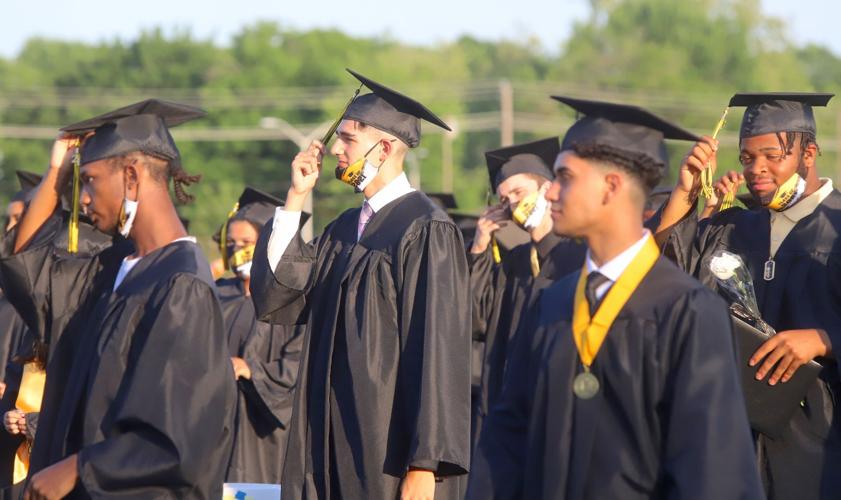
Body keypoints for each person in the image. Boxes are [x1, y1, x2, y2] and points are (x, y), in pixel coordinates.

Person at [467, 97, 763, 499]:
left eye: (565, 177)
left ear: (611, 186)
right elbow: (506, 444)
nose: (550, 192)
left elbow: (712, 473)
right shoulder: (551, 304)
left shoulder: (687, 311)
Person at [250, 70, 471, 500]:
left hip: (387, 450)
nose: (335, 147)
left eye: (348, 138)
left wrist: (424, 467)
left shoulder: (426, 230)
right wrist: (295, 199)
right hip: (328, 436)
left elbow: (438, 350)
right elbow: (282, 293)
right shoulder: (342, 230)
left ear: (384, 147)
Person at [0, 99, 235, 499]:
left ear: (131, 177)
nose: (83, 198)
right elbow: (27, 263)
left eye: (89, 180)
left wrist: (77, 468)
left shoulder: (181, 286)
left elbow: (174, 437)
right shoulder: (109, 271)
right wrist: (58, 168)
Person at [654, 92, 841, 499]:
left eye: (772, 156)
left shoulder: (838, 228)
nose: (757, 170)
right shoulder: (733, 228)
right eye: (746, 158)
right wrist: (685, 193)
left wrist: (824, 340)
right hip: (731, 439)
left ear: (809, 153)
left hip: (819, 446)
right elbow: (661, 273)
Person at [468, 137, 585, 447]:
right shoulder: (514, 264)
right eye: (504, 200)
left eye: (519, 193)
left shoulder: (580, 256)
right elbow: (476, 319)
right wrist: (480, 246)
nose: (513, 205)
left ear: (547, 189)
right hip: (512, 409)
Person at [214, 187, 306, 484]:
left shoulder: (292, 301)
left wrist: (250, 370)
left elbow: (297, 366)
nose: (236, 249)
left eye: (246, 242)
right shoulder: (216, 294)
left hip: (264, 432)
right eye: (231, 243)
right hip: (217, 427)